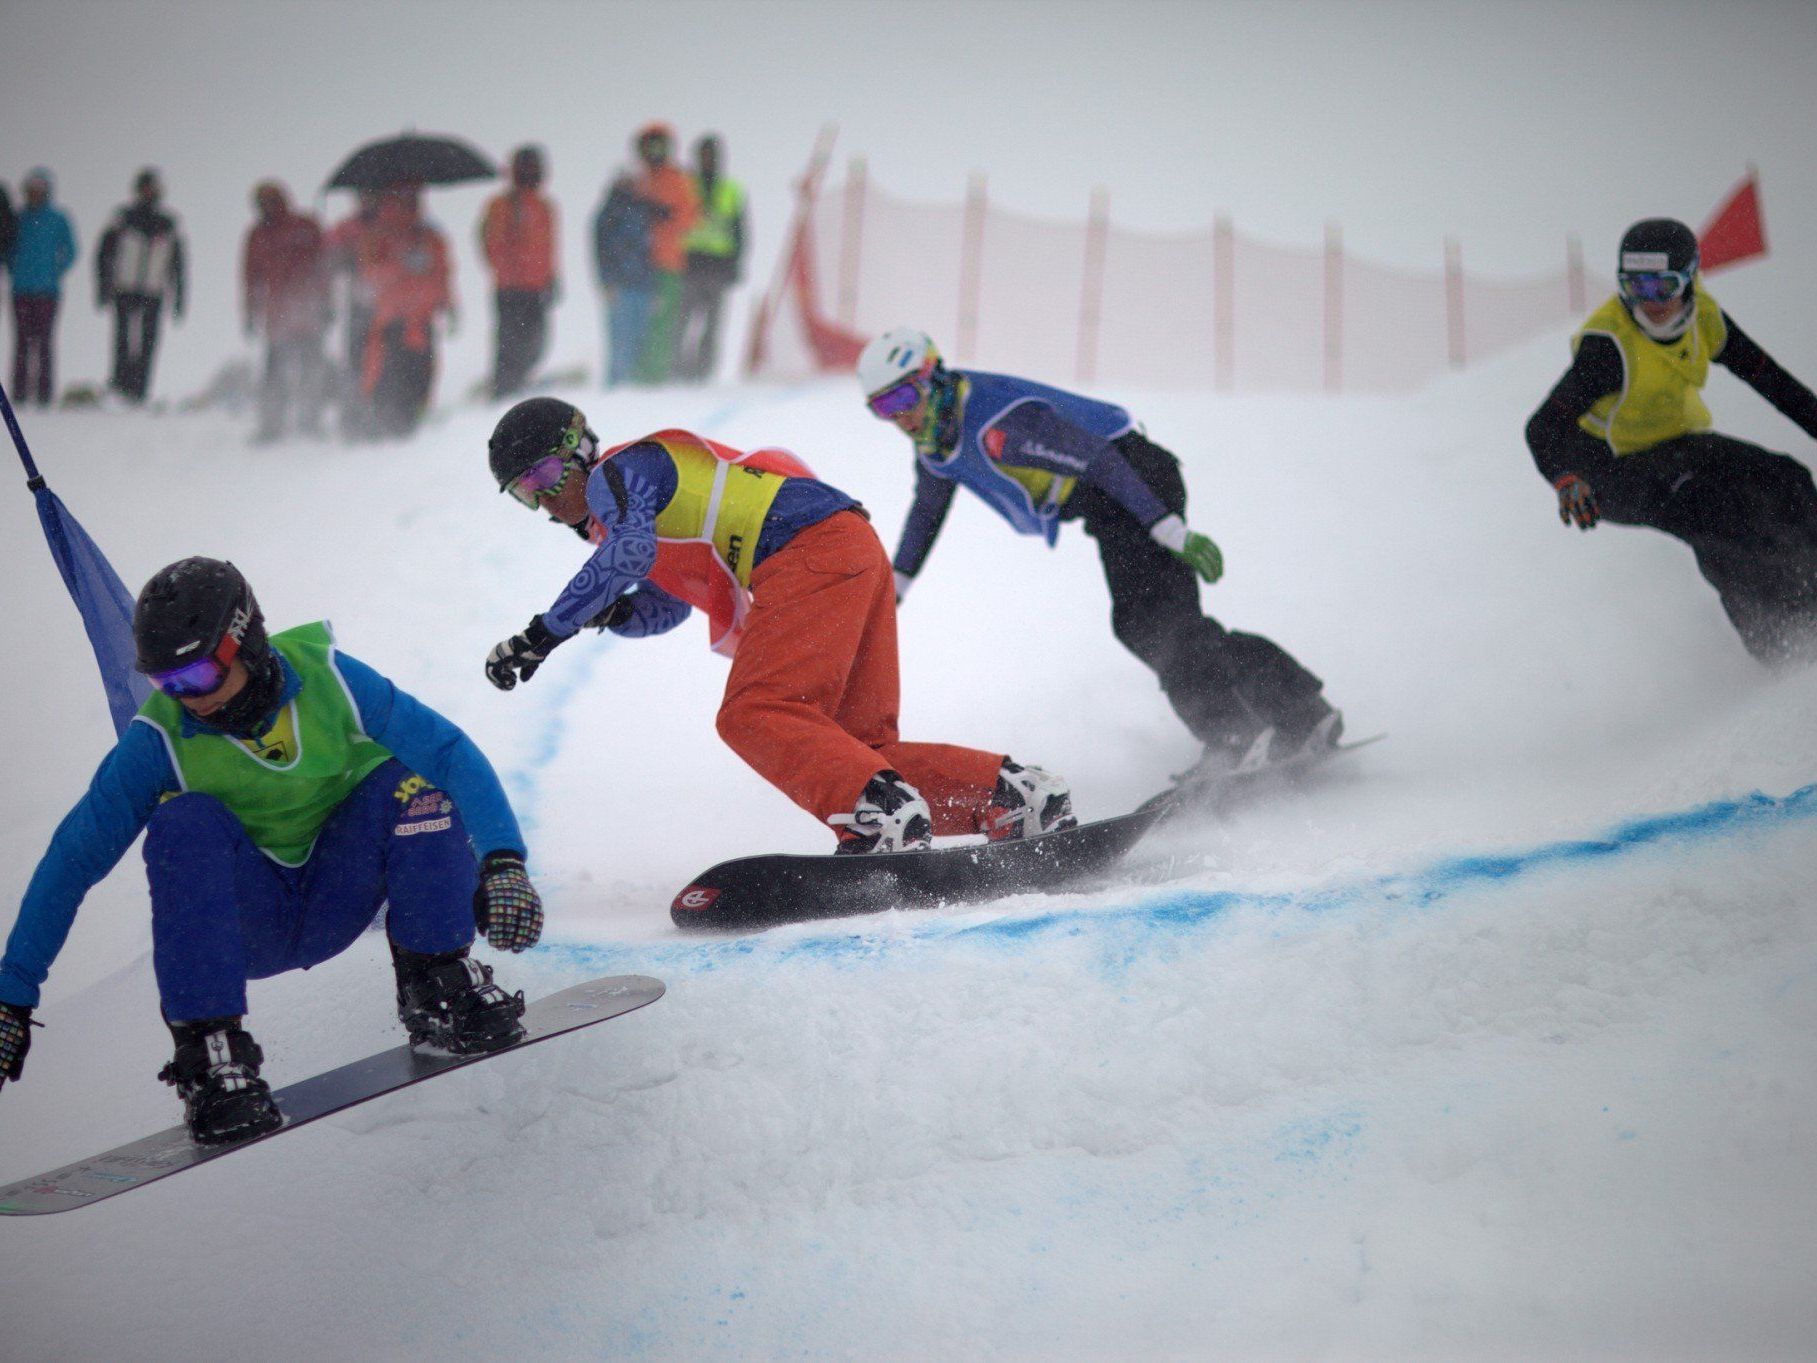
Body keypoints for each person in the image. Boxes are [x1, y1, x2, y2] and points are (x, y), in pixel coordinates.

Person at [0, 558, 542, 1144]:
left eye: (200, 676)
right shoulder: (157, 740)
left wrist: (503, 861)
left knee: (415, 781)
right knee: (184, 821)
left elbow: (451, 752)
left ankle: (438, 985)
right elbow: (72, 859)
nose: (190, 700)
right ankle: (212, 1059)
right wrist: (12, 993)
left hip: (339, 891)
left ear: (245, 644)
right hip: (244, 926)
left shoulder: (331, 680)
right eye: (168, 685)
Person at [481, 397, 1077, 853]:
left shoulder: (619, 474)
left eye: (543, 477)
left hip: (805, 553)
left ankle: (878, 815)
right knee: (857, 749)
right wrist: (610, 613)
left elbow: (629, 556)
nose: (544, 503)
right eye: (522, 495)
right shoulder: (625, 515)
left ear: (581, 448)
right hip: (844, 547)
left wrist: (542, 635)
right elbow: (667, 606)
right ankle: (1012, 796)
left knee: (753, 712)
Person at [857, 329, 1342, 773]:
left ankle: (1237, 735)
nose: (898, 417)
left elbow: (1100, 459)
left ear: (932, 378)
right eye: (881, 408)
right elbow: (928, 510)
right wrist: (893, 588)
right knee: (1158, 624)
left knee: (1155, 625)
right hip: (1112, 508)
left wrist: (1168, 528)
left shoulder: (998, 421)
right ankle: (1298, 712)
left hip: (1136, 483)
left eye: (902, 397)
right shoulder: (936, 441)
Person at [1526, 218, 1817, 666]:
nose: (1650, 303)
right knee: (1716, 513)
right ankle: (1783, 645)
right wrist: (1569, 481)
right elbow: (1543, 427)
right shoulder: (1608, 347)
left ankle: (1809, 590)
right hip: (1610, 471)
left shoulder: (1705, 318)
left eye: (1662, 287)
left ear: (1690, 279)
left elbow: (1773, 382)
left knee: (1787, 480)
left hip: (1676, 444)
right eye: (1635, 288)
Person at [360, 185, 453, 439]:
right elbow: (370, 275)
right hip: (394, 322)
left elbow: (443, 271)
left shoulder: (429, 237)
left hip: (422, 320)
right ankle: (392, 425)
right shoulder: (379, 236)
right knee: (393, 377)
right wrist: (402, 266)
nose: (413, 203)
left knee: (423, 373)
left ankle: (412, 421)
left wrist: (447, 301)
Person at [242, 180, 331, 441]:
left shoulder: (305, 226)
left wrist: (327, 303)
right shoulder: (258, 235)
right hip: (278, 314)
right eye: (262, 203)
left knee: (311, 368)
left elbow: (323, 265)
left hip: (308, 310)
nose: (266, 208)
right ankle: (272, 424)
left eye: (270, 201)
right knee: (275, 371)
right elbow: (251, 277)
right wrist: (250, 311)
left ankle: (310, 421)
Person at [95, 168, 186, 404]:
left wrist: (179, 297)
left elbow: (179, 264)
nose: (149, 193)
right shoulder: (122, 218)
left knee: (148, 341)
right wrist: (103, 286)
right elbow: (103, 254)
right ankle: (120, 385)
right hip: (125, 287)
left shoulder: (168, 223)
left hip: (153, 290)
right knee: (122, 340)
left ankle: (139, 390)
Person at [479, 146, 558, 399]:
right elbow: (492, 243)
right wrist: (508, 272)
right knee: (510, 343)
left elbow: (548, 247)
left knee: (536, 342)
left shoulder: (544, 206)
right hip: (511, 289)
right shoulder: (503, 205)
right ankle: (503, 388)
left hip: (536, 287)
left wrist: (552, 277)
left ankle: (518, 380)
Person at [630, 123, 698, 385]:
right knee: (638, 323)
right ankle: (636, 374)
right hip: (638, 268)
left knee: (663, 320)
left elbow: (690, 217)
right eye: (650, 146)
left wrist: (665, 214)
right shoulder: (639, 181)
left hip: (668, 264)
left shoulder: (678, 180)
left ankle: (656, 375)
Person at [674, 134, 746, 383]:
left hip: (718, 266)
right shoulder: (685, 186)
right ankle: (678, 372)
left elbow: (740, 231)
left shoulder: (731, 190)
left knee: (712, 326)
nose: (708, 160)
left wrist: (736, 264)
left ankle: (702, 374)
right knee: (682, 323)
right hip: (690, 264)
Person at [6, 168, 77, 407]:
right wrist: (12, 268)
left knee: (45, 341)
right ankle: (19, 394)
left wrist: (56, 270)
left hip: (48, 292)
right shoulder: (18, 217)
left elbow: (71, 250)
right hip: (20, 290)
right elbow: (5, 245)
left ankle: (44, 395)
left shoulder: (58, 219)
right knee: (22, 341)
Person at [592, 169, 659, 388]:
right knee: (621, 339)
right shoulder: (609, 213)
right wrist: (607, 283)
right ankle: (617, 384)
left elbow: (650, 253)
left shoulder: (641, 211)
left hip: (641, 285)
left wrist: (653, 286)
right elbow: (602, 252)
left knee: (639, 337)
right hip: (621, 286)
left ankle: (633, 383)